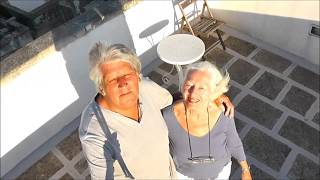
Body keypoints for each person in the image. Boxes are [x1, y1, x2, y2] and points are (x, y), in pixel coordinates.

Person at [79, 42, 235, 179]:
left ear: (137, 76)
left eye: (127, 75)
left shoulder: (145, 88)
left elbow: (171, 102)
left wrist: (210, 96)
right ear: (101, 87)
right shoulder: (95, 134)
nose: (123, 83)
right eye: (112, 79)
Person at [162, 61, 252, 180]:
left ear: (213, 92)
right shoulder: (167, 116)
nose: (193, 94)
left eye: (201, 88)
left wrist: (245, 170)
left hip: (220, 174)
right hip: (183, 176)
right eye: (189, 85)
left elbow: (234, 143)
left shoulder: (224, 114)